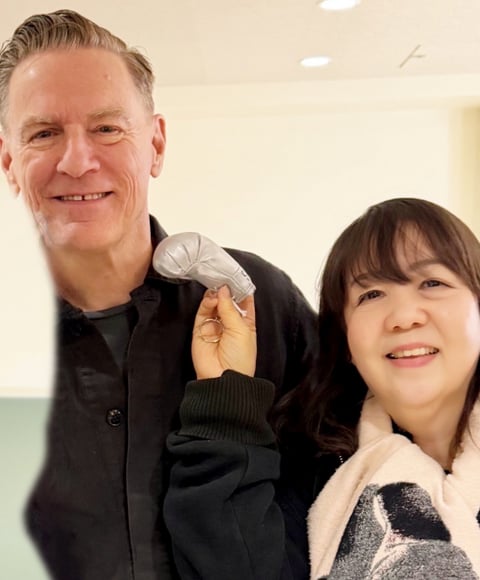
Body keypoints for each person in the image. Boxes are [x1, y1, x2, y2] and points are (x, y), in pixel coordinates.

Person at [0, 10, 318, 580]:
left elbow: (354, 482)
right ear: (9, 162)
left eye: (107, 128)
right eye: (44, 133)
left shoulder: (259, 303)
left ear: (156, 144)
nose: (77, 161)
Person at [165, 197, 480, 579]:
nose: (403, 317)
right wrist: (225, 394)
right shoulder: (316, 466)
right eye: (371, 294)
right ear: (345, 341)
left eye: (432, 283)